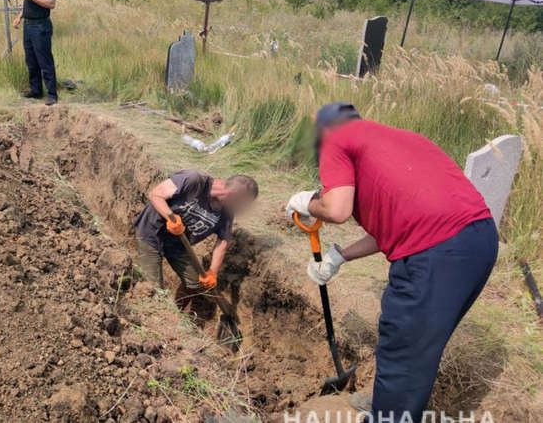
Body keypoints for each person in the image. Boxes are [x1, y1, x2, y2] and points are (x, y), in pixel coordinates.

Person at [286, 102, 497, 423]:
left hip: (436, 253)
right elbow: (401, 223)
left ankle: (390, 413)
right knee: (418, 351)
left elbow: (337, 210)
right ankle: (391, 406)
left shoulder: (335, 138)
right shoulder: (404, 139)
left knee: (403, 351)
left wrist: (307, 202)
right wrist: (340, 256)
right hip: (480, 241)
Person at [134, 171, 258, 308]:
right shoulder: (194, 181)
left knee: (195, 283)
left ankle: (177, 311)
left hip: (178, 244)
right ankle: (153, 310)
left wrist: (213, 272)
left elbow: (223, 241)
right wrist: (170, 216)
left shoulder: (226, 213)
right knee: (154, 288)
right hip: (152, 232)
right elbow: (155, 194)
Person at [12, 0, 58, 106]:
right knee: (31, 60)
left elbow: (51, 3)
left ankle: (52, 94)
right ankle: (36, 90)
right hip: (28, 25)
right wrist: (20, 16)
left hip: (41, 25)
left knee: (44, 60)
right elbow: (27, 3)